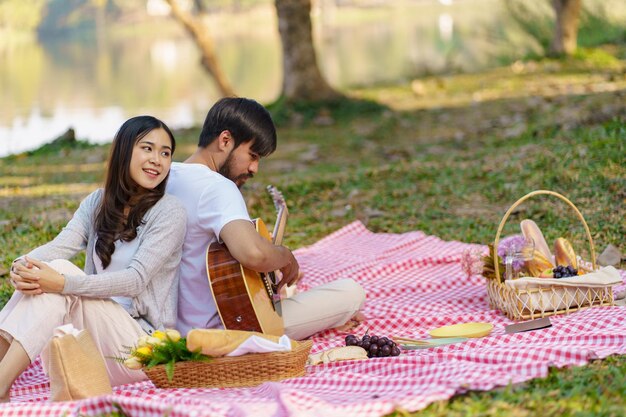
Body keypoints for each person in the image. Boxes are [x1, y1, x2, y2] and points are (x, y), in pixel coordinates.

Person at [0, 115, 187, 401]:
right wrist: (21, 264)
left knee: (60, 275)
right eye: (147, 148)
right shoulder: (97, 203)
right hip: (89, 347)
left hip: (141, 351)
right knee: (52, 270)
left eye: (165, 153)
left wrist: (62, 283)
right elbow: (60, 246)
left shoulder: (170, 212)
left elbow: (135, 281)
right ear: (124, 151)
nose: (158, 160)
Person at [166, 97, 365, 340]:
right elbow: (254, 254)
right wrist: (284, 256)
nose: (254, 169)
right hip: (230, 328)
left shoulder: (166, 175)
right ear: (225, 140)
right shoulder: (217, 187)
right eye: (252, 155)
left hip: (169, 332)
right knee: (351, 292)